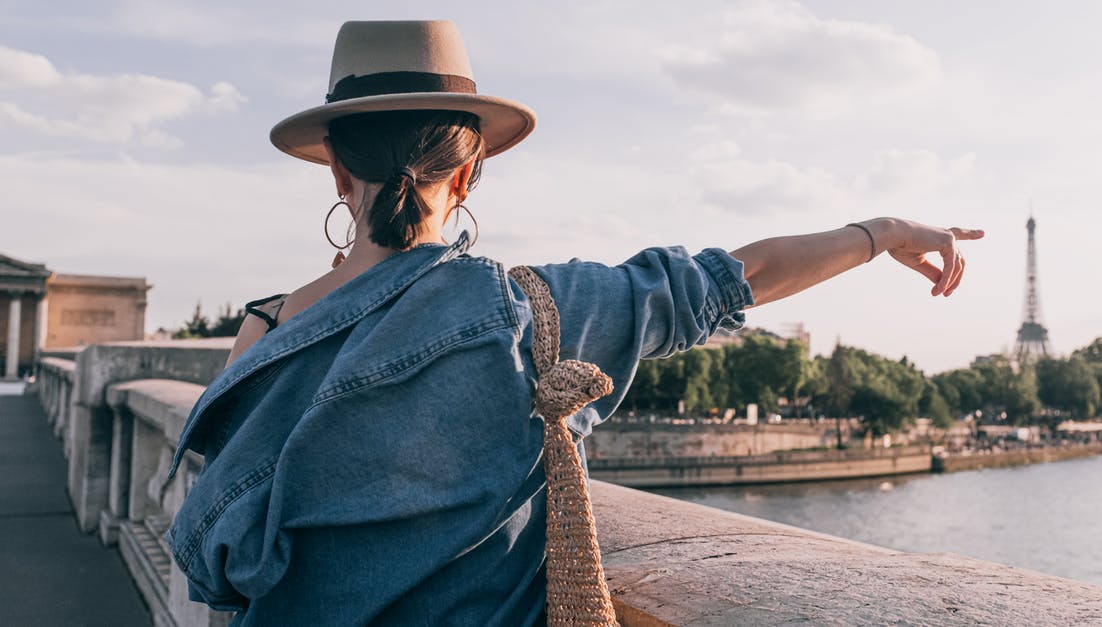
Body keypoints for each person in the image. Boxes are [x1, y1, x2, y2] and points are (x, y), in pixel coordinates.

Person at [164, 20, 983, 626]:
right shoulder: (531, 314)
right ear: (474, 169)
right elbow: (735, 279)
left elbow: (219, 566)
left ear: (337, 168)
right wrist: (886, 235)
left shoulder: (264, 332)